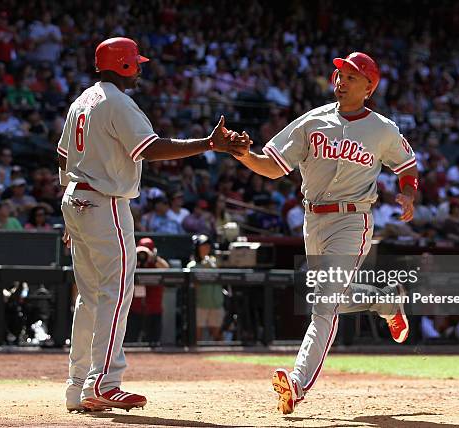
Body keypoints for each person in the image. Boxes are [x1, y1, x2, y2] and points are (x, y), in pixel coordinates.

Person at [58, 37, 248, 412]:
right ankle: (104, 382)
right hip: (104, 201)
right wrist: (209, 144)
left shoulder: (82, 100)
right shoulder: (116, 101)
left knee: (91, 298)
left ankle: (77, 385)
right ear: (124, 65)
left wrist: (69, 210)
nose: (140, 68)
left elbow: (63, 156)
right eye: (136, 63)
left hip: (76, 198)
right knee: (116, 292)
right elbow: (150, 147)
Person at [227, 52, 416, 414]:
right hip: (312, 220)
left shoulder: (383, 129)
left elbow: (407, 165)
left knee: (323, 303)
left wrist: (408, 192)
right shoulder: (312, 121)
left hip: (352, 220)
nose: (341, 80)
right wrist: (244, 155)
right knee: (331, 297)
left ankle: (297, 384)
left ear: (368, 87)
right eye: (340, 74)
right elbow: (272, 167)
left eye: (351, 76)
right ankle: (387, 301)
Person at [187, 234, 224, 341]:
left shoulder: (215, 263)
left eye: (207, 246)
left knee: (217, 335)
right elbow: (194, 286)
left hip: (216, 303)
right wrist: (204, 269)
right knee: (197, 336)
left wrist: (213, 266)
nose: (206, 248)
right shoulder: (192, 266)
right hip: (200, 304)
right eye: (203, 246)